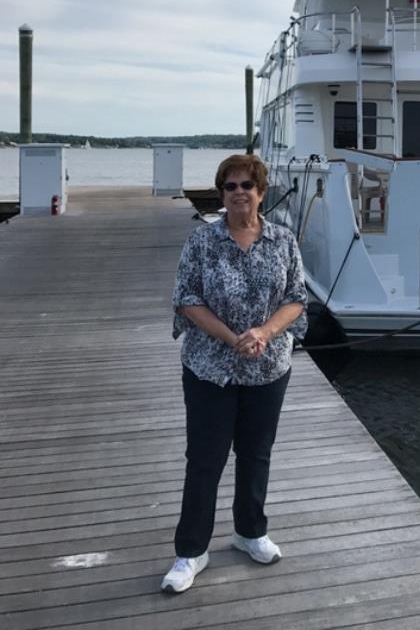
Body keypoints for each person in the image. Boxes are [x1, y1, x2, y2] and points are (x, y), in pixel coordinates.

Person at [161, 154, 307, 593]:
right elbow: (187, 299)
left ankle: (249, 532)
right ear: (222, 195)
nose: (239, 192)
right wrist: (232, 338)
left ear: (261, 192)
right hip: (210, 367)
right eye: (230, 186)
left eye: (247, 184)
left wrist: (263, 331)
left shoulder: (283, 240)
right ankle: (190, 551)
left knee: (256, 453)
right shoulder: (202, 243)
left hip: (268, 366)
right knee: (205, 461)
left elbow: (297, 297)